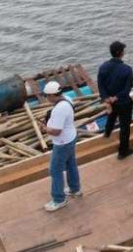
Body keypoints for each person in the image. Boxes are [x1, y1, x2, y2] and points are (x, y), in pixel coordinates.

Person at [40, 81, 81, 212]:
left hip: (62, 143)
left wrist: (45, 128)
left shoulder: (59, 109)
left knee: (55, 170)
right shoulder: (67, 99)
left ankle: (59, 199)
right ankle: (75, 188)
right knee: (70, 163)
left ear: (53, 95)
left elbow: (56, 131)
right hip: (71, 137)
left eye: (47, 96)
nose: (46, 98)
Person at [99, 40, 133, 159]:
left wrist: (106, 98)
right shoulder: (127, 69)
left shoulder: (103, 67)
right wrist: (117, 97)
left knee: (112, 115)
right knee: (125, 127)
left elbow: (101, 85)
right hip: (123, 102)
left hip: (110, 100)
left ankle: (107, 132)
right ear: (121, 53)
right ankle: (123, 151)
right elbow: (127, 88)